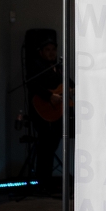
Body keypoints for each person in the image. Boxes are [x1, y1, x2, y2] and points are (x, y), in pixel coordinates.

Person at [23, 31, 64, 197]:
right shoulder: (36, 67)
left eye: (53, 49)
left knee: (52, 145)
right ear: (40, 52)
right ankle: (43, 183)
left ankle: (47, 183)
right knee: (45, 147)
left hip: (56, 114)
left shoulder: (59, 68)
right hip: (41, 112)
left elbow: (69, 84)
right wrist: (49, 96)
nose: (51, 53)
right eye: (48, 49)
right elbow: (32, 84)